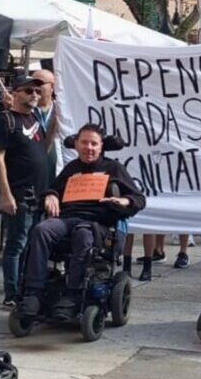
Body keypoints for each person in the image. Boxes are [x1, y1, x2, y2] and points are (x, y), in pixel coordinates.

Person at [18, 125, 145, 320]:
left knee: (83, 234)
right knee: (42, 229)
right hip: (68, 218)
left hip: (98, 223)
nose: (89, 148)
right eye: (84, 143)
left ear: (101, 146)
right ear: (76, 145)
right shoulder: (72, 169)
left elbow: (138, 199)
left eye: (94, 143)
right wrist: (50, 195)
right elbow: (53, 189)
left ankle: (73, 295)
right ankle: (33, 292)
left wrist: (123, 200)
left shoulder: (114, 168)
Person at [0, 75, 51, 307]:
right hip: (20, 194)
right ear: (15, 93)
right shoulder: (5, 120)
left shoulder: (35, 117)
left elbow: (45, 146)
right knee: (16, 244)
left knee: (32, 244)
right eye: (28, 91)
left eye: (37, 92)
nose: (34, 95)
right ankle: (12, 292)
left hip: (39, 194)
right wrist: (6, 194)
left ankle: (28, 287)